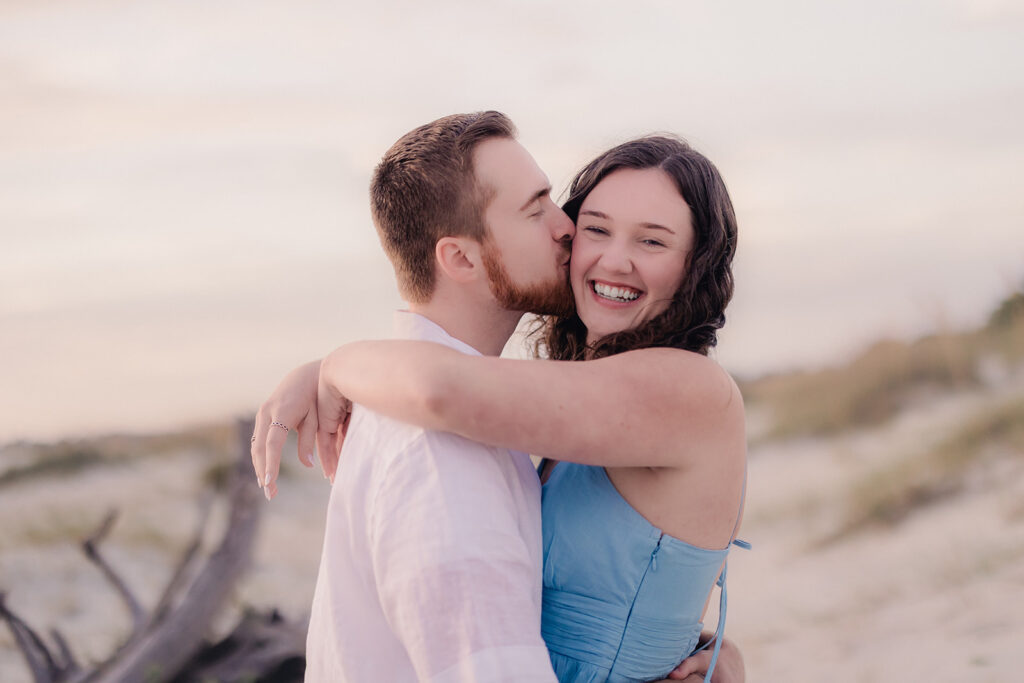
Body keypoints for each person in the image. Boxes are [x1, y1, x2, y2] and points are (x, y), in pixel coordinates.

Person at [252, 114, 745, 682]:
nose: (606, 256)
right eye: (594, 226)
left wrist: (334, 365)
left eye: (653, 240)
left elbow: (442, 388)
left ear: (696, 264)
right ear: (459, 257)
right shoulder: (518, 413)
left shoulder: (687, 390)